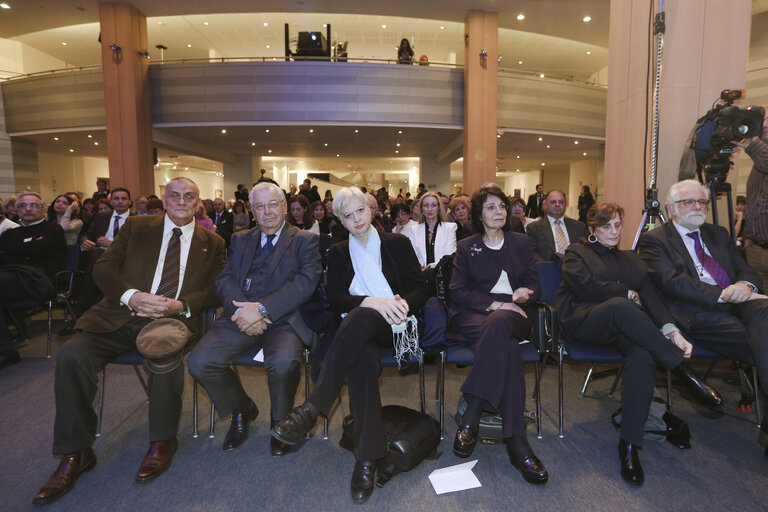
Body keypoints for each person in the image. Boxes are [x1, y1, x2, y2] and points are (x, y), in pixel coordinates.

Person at [32, 178, 225, 505]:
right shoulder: (137, 227)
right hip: (117, 316)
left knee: (166, 353)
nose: (181, 201)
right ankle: (76, 452)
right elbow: (104, 268)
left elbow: (214, 289)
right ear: (164, 199)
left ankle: (162, 440)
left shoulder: (213, 242)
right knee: (71, 356)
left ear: (198, 203)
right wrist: (131, 296)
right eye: (174, 195)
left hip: (169, 320)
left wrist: (181, 305)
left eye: (189, 196)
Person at [271, 186, 428, 503]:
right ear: (340, 220)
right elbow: (335, 298)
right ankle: (367, 459)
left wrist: (400, 304)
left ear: (371, 211)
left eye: (360, 211)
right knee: (363, 362)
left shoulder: (397, 244)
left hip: (395, 324)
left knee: (361, 318)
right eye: (348, 215)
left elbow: (421, 287)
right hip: (354, 329)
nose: (356, 219)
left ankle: (312, 407)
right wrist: (371, 300)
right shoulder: (338, 252)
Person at [556, 202, 694, 486]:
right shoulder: (576, 253)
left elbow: (652, 299)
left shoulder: (631, 259)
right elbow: (585, 287)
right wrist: (626, 293)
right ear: (592, 230)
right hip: (584, 322)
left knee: (642, 355)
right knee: (620, 305)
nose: (613, 231)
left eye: (617, 225)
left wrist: (673, 332)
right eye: (606, 226)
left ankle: (630, 444)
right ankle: (678, 367)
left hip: (624, 329)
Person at [189, 182, 321, 457]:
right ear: (252, 210)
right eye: (260, 206)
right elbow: (224, 278)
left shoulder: (305, 240)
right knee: (199, 361)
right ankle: (242, 410)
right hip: (239, 316)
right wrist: (240, 312)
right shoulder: (240, 239)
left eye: (273, 204)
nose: (267, 211)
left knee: (283, 361)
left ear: (284, 207)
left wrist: (261, 310)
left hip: (284, 319)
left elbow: (306, 283)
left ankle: (281, 421)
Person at [638, 179, 768, 456]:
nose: (697, 207)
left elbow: (745, 269)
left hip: (739, 300)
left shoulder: (718, 233)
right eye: (689, 202)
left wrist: (745, 287)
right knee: (761, 339)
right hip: (697, 311)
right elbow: (671, 282)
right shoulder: (655, 240)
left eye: (702, 202)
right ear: (672, 209)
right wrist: (722, 295)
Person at [447, 184, 548, 485]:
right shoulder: (467, 247)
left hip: (515, 316)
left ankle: (472, 414)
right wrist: (497, 303)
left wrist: (523, 295)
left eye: (501, 205)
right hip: (475, 315)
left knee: (502, 323)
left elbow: (535, 285)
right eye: (490, 206)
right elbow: (457, 292)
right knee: (510, 350)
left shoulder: (521, 242)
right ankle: (518, 443)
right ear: (479, 214)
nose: (498, 211)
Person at [0, 192, 66, 370]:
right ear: (16, 210)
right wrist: (28, 247)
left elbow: (40, 251)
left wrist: (16, 251)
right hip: (9, 278)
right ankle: (5, 349)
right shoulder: (9, 233)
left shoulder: (53, 229)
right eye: (23, 205)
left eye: (34, 205)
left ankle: (6, 352)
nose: (28, 209)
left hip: (37, 280)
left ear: (43, 209)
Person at [75, 188, 133, 317]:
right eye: (116, 198)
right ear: (111, 202)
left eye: (123, 198)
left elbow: (138, 247)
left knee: (94, 263)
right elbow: (86, 234)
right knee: (94, 256)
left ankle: (81, 315)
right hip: (99, 256)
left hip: (124, 259)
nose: (120, 201)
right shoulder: (102, 217)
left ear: (130, 202)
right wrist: (84, 241)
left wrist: (111, 244)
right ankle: (85, 315)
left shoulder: (136, 220)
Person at [739, 112, 768, 284]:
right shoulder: (759, 161)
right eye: (764, 118)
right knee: (759, 308)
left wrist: (751, 143)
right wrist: (749, 236)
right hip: (756, 251)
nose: (764, 124)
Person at [526, 190, 586, 261]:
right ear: (546, 204)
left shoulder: (579, 226)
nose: (557, 204)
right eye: (553, 202)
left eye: (561, 202)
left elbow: (585, 250)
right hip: (548, 268)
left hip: (575, 268)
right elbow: (532, 252)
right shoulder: (534, 228)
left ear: (565, 205)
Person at [403, 191, 457, 269]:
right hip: (420, 275)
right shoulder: (414, 229)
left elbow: (448, 256)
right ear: (421, 209)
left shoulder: (450, 228)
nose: (429, 209)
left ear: (439, 208)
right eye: (426, 205)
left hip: (442, 274)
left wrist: (429, 268)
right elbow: (412, 255)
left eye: (434, 205)